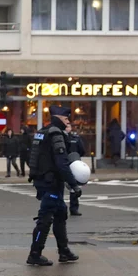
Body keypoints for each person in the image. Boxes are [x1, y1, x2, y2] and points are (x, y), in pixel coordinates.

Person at [26, 105, 80, 266]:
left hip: (42, 180)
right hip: (51, 182)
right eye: (66, 118)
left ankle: (64, 251)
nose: (68, 121)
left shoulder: (42, 132)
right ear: (58, 118)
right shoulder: (55, 134)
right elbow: (62, 162)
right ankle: (35, 253)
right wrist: (73, 184)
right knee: (45, 219)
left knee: (60, 214)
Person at [68, 129, 86, 217]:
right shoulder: (60, 136)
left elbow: (82, 150)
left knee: (74, 186)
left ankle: (74, 208)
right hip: (64, 163)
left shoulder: (75, 138)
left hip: (73, 163)